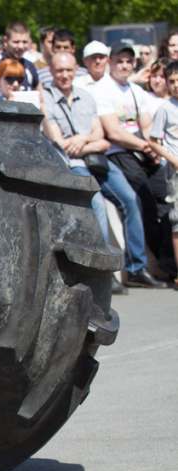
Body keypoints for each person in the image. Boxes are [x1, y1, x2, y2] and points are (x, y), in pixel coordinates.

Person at [43, 52, 157, 292]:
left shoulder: (86, 96)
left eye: (69, 70)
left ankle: (137, 268)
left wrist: (84, 139)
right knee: (97, 205)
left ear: (76, 70)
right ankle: (106, 273)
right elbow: (58, 142)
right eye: (60, 70)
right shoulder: (47, 99)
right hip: (71, 163)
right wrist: (89, 141)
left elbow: (100, 137)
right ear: (52, 71)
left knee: (130, 199)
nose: (65, 75)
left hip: (97, 159)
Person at [92, 43, 175, 280]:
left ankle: (169, 259)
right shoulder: (102, 90)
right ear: (110, 62)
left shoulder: (136, 91)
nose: (125, 65)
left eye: (129, 61)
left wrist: (153, 149)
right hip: (117, 152)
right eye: (120, 60)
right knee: (142, 197)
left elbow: (147, 125)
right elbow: (114, 132)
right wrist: (147, 147)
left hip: (143, 151)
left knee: (166, 195)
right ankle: (149, 263)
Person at [148, 61, 178, 281]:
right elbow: (154, 141)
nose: (176, 85)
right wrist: (173, 159)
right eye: (172, 81)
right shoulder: (165, 109)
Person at [0, 21, 40, 91]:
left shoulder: (30, 66)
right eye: (16, 42)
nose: (21, 46)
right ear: (6, 41)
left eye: (24, 42)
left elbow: (39, 93)